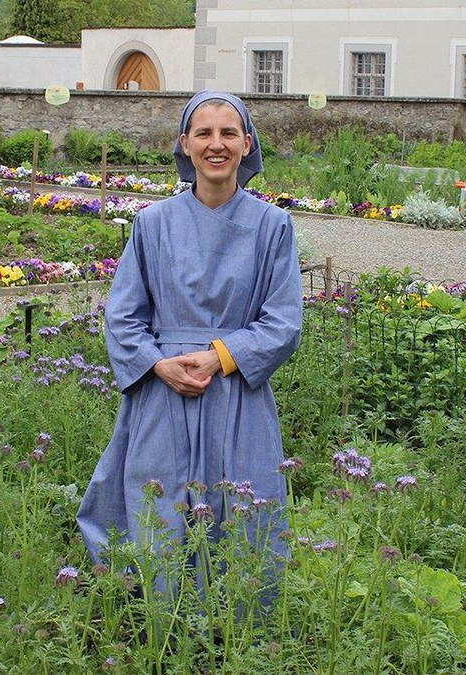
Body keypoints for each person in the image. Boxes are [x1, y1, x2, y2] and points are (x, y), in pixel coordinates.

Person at [77, 91, 303, 580]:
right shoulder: (153, 224)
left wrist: (221, 356)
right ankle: (163, 631)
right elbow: (122, 316)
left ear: (247, 143)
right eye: (204, 133)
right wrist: (159, 363)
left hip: (236, 392)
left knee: (239, 508)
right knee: (160, 509)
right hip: (164, 393)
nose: (215, 144)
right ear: (185, 143)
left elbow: (284, 322)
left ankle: (239, 640)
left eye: (228, 133)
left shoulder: (272, 227)